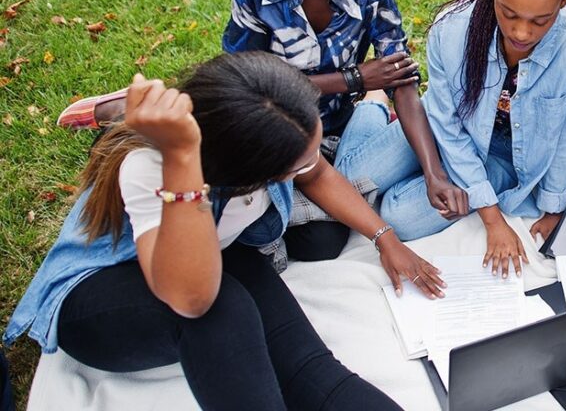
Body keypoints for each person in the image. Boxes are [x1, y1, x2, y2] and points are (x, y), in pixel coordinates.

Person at [56, 0, 466, 266]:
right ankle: (125, 109)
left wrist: (434, 175)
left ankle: (369, 114)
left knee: (320, 246)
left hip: (330, 136)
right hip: (269, 132)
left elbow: (403, 81)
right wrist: (356, 79)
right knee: (278, 224)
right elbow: (245, 82)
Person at [6, 52, 445, 410]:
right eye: (295, 165)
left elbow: (318, 174)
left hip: (210, 251)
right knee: (223, 310)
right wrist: (181, 161)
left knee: (312, 372)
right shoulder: (152, 165)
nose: (311, 165)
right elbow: (191, 298)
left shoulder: (261, 120)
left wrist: (384, 237)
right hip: (100, 293)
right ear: (245, 173)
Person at [329, 0, 566, 278]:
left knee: (399, 217)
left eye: (540, 21)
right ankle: (375, 104)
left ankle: (382, 121)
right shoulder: (452, 29)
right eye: (509, 14)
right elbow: (447, 124)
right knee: (347, 181)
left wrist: (553, 209)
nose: (521, 32)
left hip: (504, 158)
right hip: (445, 130)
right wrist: (491, 219)